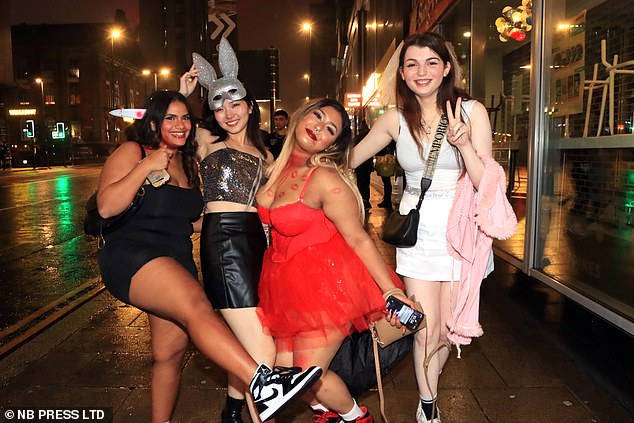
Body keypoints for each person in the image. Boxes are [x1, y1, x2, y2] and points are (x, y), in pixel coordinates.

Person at [96, 90, 322, 423]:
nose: (180, 124)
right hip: (133, 253)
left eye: (185, 117)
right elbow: (106, 206)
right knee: (197, 307)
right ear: (153, 121)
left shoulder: (186, 164)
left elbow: (193, 219)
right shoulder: (134, 151)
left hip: (175, 257)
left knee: (169, 355)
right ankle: (265, 382)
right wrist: (145, 165)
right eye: (170, 118)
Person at [351, 32, 495, 423]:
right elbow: (349, 158)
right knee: (423, 326)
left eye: (432, 62)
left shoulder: (472, 112)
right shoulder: (395, 120)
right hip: (417, 233)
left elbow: (487, 183)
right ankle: (427, 404)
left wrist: (464, 145)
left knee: (447, 328)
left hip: (462, 230)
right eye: (412, 64)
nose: (422, 71)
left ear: (447, 67)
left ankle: (429, 388)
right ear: (402, 72)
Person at [255, 98, 413, 423]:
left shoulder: (324, 178)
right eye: (317, 117)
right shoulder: (274, 168)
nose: (319, 128)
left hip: (327, 287)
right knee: (288, 374)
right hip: (284, 287)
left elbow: (358, 238)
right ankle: (328, 414)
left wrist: (389, 291)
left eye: (330, 130)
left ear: (333, 143)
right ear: (301, 116)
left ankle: (357, 418)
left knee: (304, 374)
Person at [179, 39, 276, 423]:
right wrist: (183, 97)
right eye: (219, 106)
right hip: (223, 243)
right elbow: (164, 130)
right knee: (264, 353)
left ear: (250, 106)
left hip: (257, 243)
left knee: (250, 340)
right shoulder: (205, 141)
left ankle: (233, 411)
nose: (228, 113)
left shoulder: (267, 155)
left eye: (236, 104)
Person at [353, 120, 373, 211]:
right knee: (367, 183)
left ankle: (363, 201)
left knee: (361, 183)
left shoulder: (358, 137)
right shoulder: (370, 136)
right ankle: (367, 200)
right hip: (368, 164)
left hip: (360, 164)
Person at [375, 139, 396, 211]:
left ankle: (387, 201)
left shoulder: (386, 139)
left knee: (386, 182)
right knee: (387, 182)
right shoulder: (391, 139)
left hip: (385, 161)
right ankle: (387, 200)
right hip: (388, 160)